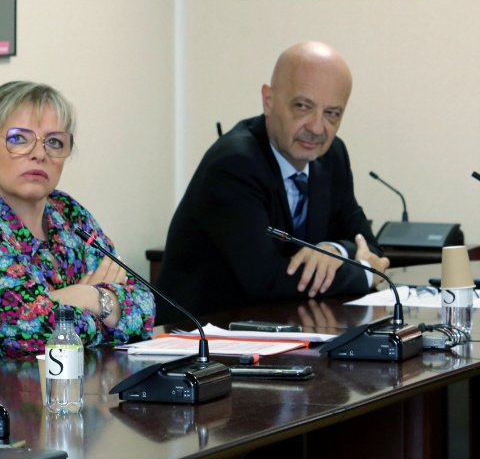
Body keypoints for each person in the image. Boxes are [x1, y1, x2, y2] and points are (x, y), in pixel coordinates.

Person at [0, 81, 156, 365]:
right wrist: (103, 305)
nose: (39, 153)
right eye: (19, 138)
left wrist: (84, 298)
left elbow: (144, 307)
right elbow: (33, 337)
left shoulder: (69, 213)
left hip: (77, 395)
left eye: (54, 142)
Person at [156, 42, 389, 324]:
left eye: (332, 113)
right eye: (303, 107)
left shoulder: (332, 157)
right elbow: (267, 279)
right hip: (203, 343)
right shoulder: (234, 164)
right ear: (268, 101)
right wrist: (364, 271)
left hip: (280, 333)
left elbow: (369, 245)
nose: (317, 128)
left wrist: (336, 251)